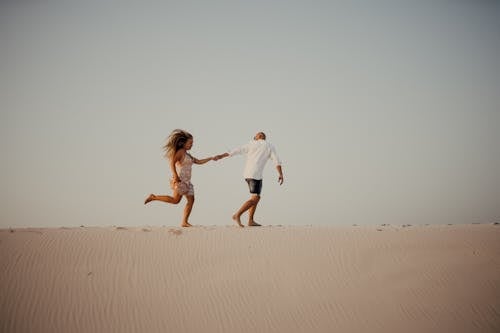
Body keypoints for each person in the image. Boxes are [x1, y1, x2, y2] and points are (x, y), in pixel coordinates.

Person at [144, 129, 214, 227]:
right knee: (175, 200)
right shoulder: (180, 152)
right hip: (180, 180)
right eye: (190, 143)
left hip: (187, 182)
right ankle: (154, 197)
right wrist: (175, 175)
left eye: (192, 143)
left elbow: (198, 161)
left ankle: (184, 222)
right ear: (184, 143)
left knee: (191, 200)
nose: (192, 145)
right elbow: (172, 162)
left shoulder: (188, 154)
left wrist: (211, 158)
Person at [214, 131, 283, 227]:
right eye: (259, 134)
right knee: (255, 198)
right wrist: (221, 156)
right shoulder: (255, 144)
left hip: (255, 175)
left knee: (256, 197)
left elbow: (276, 160)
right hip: (253, 175)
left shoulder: (266, 145)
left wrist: (280, 173)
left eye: (262, 133)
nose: (261, 133)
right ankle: (237, 215)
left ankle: (250, 220)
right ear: (255, 137)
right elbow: (235, 151)